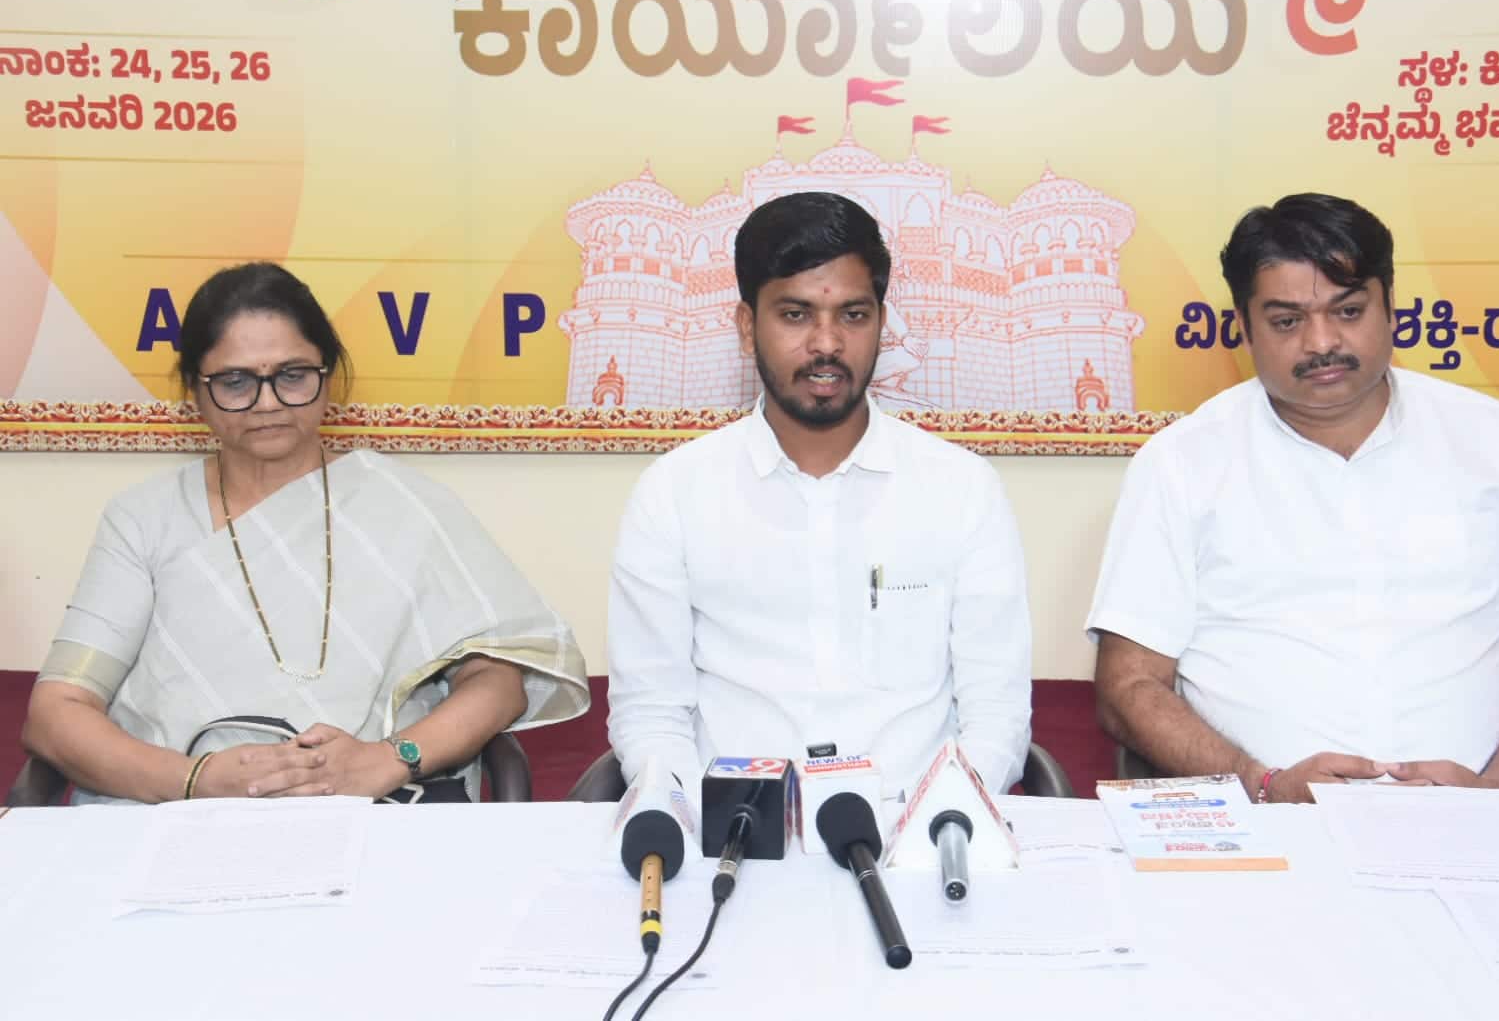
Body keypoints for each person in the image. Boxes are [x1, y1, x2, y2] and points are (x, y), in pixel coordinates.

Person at [1088, 192, 1499, 804]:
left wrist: (1494, 796)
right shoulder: (1182, 462)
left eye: (1348, 310)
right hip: (1267, 826)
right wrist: (1264, 786)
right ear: (1243, 328)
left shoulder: (1497, 441)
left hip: (1487, 821)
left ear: (1391, 308)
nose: (1321, 342)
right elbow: (1130, 685)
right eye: (1287, 321)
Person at [20, 262, 589, 804]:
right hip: (180, 814)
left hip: (379, 811)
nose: (267, 402)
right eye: (236, 381)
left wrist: (388, 759)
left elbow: (497, 681)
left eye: (292, 376)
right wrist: (197, 779)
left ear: (327, 375)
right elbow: (57, 711)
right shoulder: (145, 518)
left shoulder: (404, 503)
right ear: (194, 388)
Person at [606, 191, 1032, 797]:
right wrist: (705, 818)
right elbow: (651, 714)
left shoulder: (962, 489)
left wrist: (941, 818)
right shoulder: (674, 493)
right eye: (796, 315)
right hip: (735, 828)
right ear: (747, 326)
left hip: (918, 826)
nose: (827, 344)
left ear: (881, 324)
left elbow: (996, 713)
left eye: (853, 315)